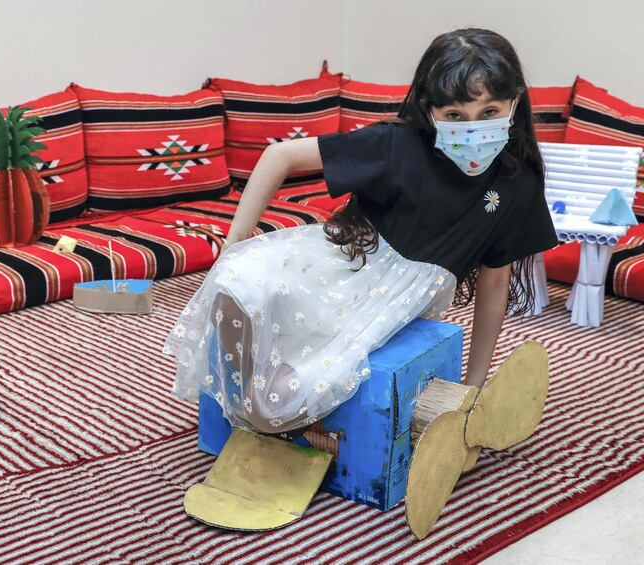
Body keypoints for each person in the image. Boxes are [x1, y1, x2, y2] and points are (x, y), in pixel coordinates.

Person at [162, 28, 559, 436]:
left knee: (281, 403)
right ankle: (248, 405)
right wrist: (232, 246)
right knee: (237, 281)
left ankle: (269, 417)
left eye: (490, 112)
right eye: (455, 115)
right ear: (429, 110)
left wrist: (473, 389)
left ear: (515, 103)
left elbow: (495, 284)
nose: (474, 129)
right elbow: (278, 156)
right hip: (345, 260)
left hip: (394, 305)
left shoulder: (517, 179)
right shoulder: (398, 144)